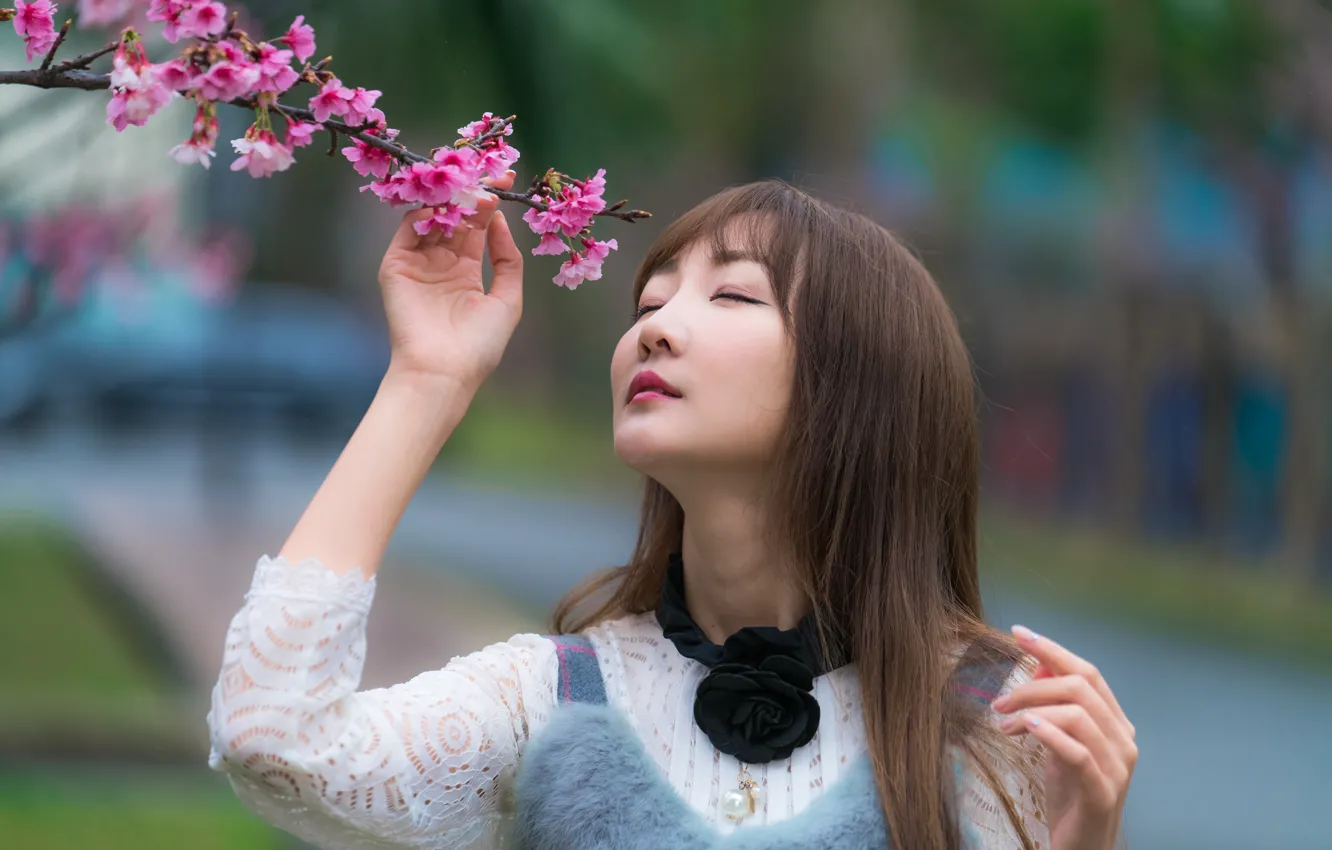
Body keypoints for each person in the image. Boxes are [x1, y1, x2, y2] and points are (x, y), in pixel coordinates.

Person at [206, 176, 1137, 850]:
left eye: (731, 294)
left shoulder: (996, 717)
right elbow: (274, 741)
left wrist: (1084, 843)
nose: (652, 325)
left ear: (860, 385)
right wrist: (427, 380)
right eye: (649, 300)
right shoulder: (560, 700)